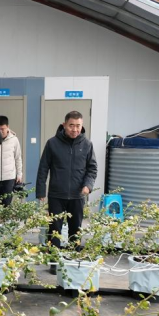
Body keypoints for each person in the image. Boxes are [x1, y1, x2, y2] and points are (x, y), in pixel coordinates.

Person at [36, 111, 97, 273]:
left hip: (78, 195)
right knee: (54, 230)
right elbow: (43, 168)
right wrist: (41, 191)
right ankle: (54, 263)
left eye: (78, 126)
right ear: (64, 125)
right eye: (71, 126)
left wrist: (88, 185)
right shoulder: (52, 143)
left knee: (75, 230)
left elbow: (92, 169)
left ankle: (72, 261)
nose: (75, 129)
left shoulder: (87, 145)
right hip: (56, 195)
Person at [0, 115, 23, 207]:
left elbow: (18, 158)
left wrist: (19, 174)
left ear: (7, 127)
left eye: (3, 129)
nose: (0, 131)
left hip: (9, 178)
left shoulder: (14, 140)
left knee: (7, 204)